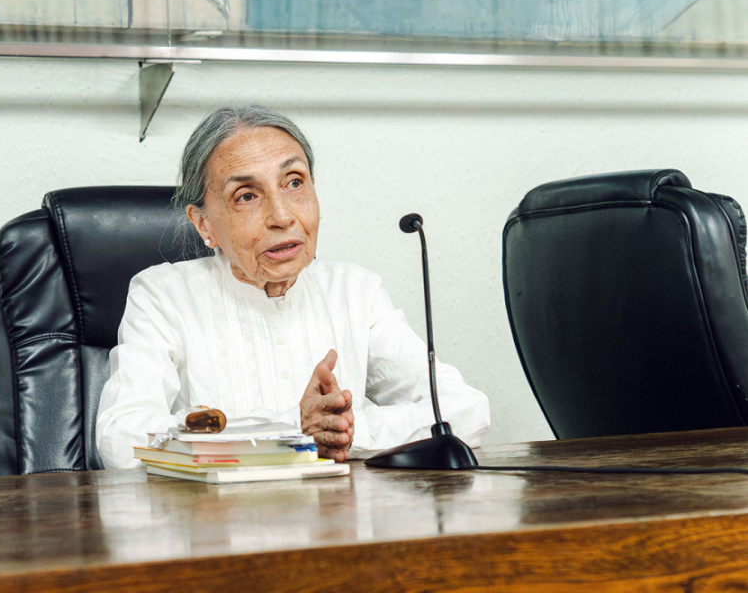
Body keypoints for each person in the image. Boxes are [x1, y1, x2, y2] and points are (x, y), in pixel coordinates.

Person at [96, 105, 490, 468]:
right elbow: (122, 439)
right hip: (217, 532)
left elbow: (466, 410)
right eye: (247, 195)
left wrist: (347, 434)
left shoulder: (355, 292)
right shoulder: (164, 297)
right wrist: (293, 433)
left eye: (294, 182)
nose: (282, 216)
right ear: (204, 224)